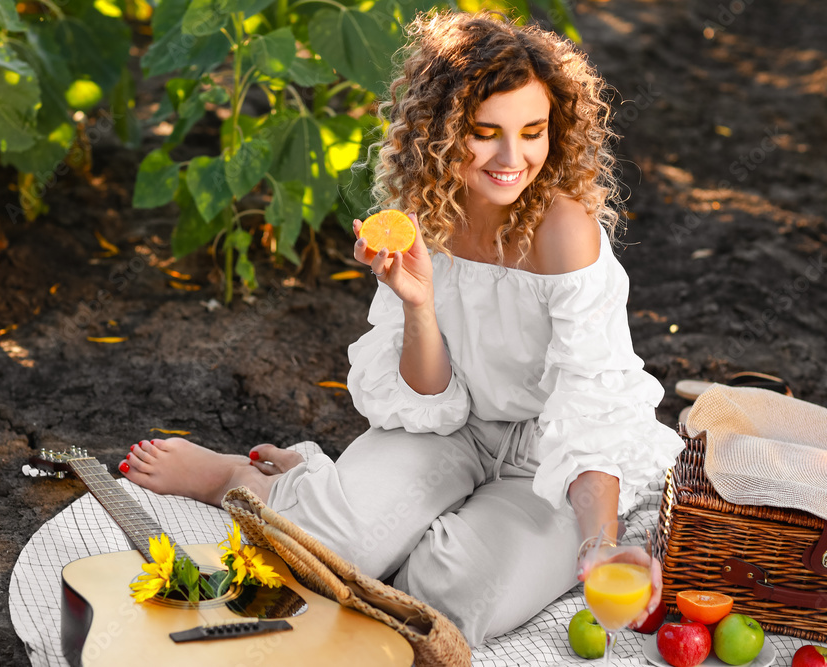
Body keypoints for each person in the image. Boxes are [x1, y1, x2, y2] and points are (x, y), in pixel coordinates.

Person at [118, 9, 684, 646]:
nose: (512, 157)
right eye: (484, 131)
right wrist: (416, 302)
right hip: (447, 428)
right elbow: (428, 400)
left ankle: (334, 499)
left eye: (533, 131)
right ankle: (242, 478)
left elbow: (591, 406)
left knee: (449, 599)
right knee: (318, 549)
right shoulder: (421, 215)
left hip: (546, 456)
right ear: (441, 132)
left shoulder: (565, 232)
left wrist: (600, 546)